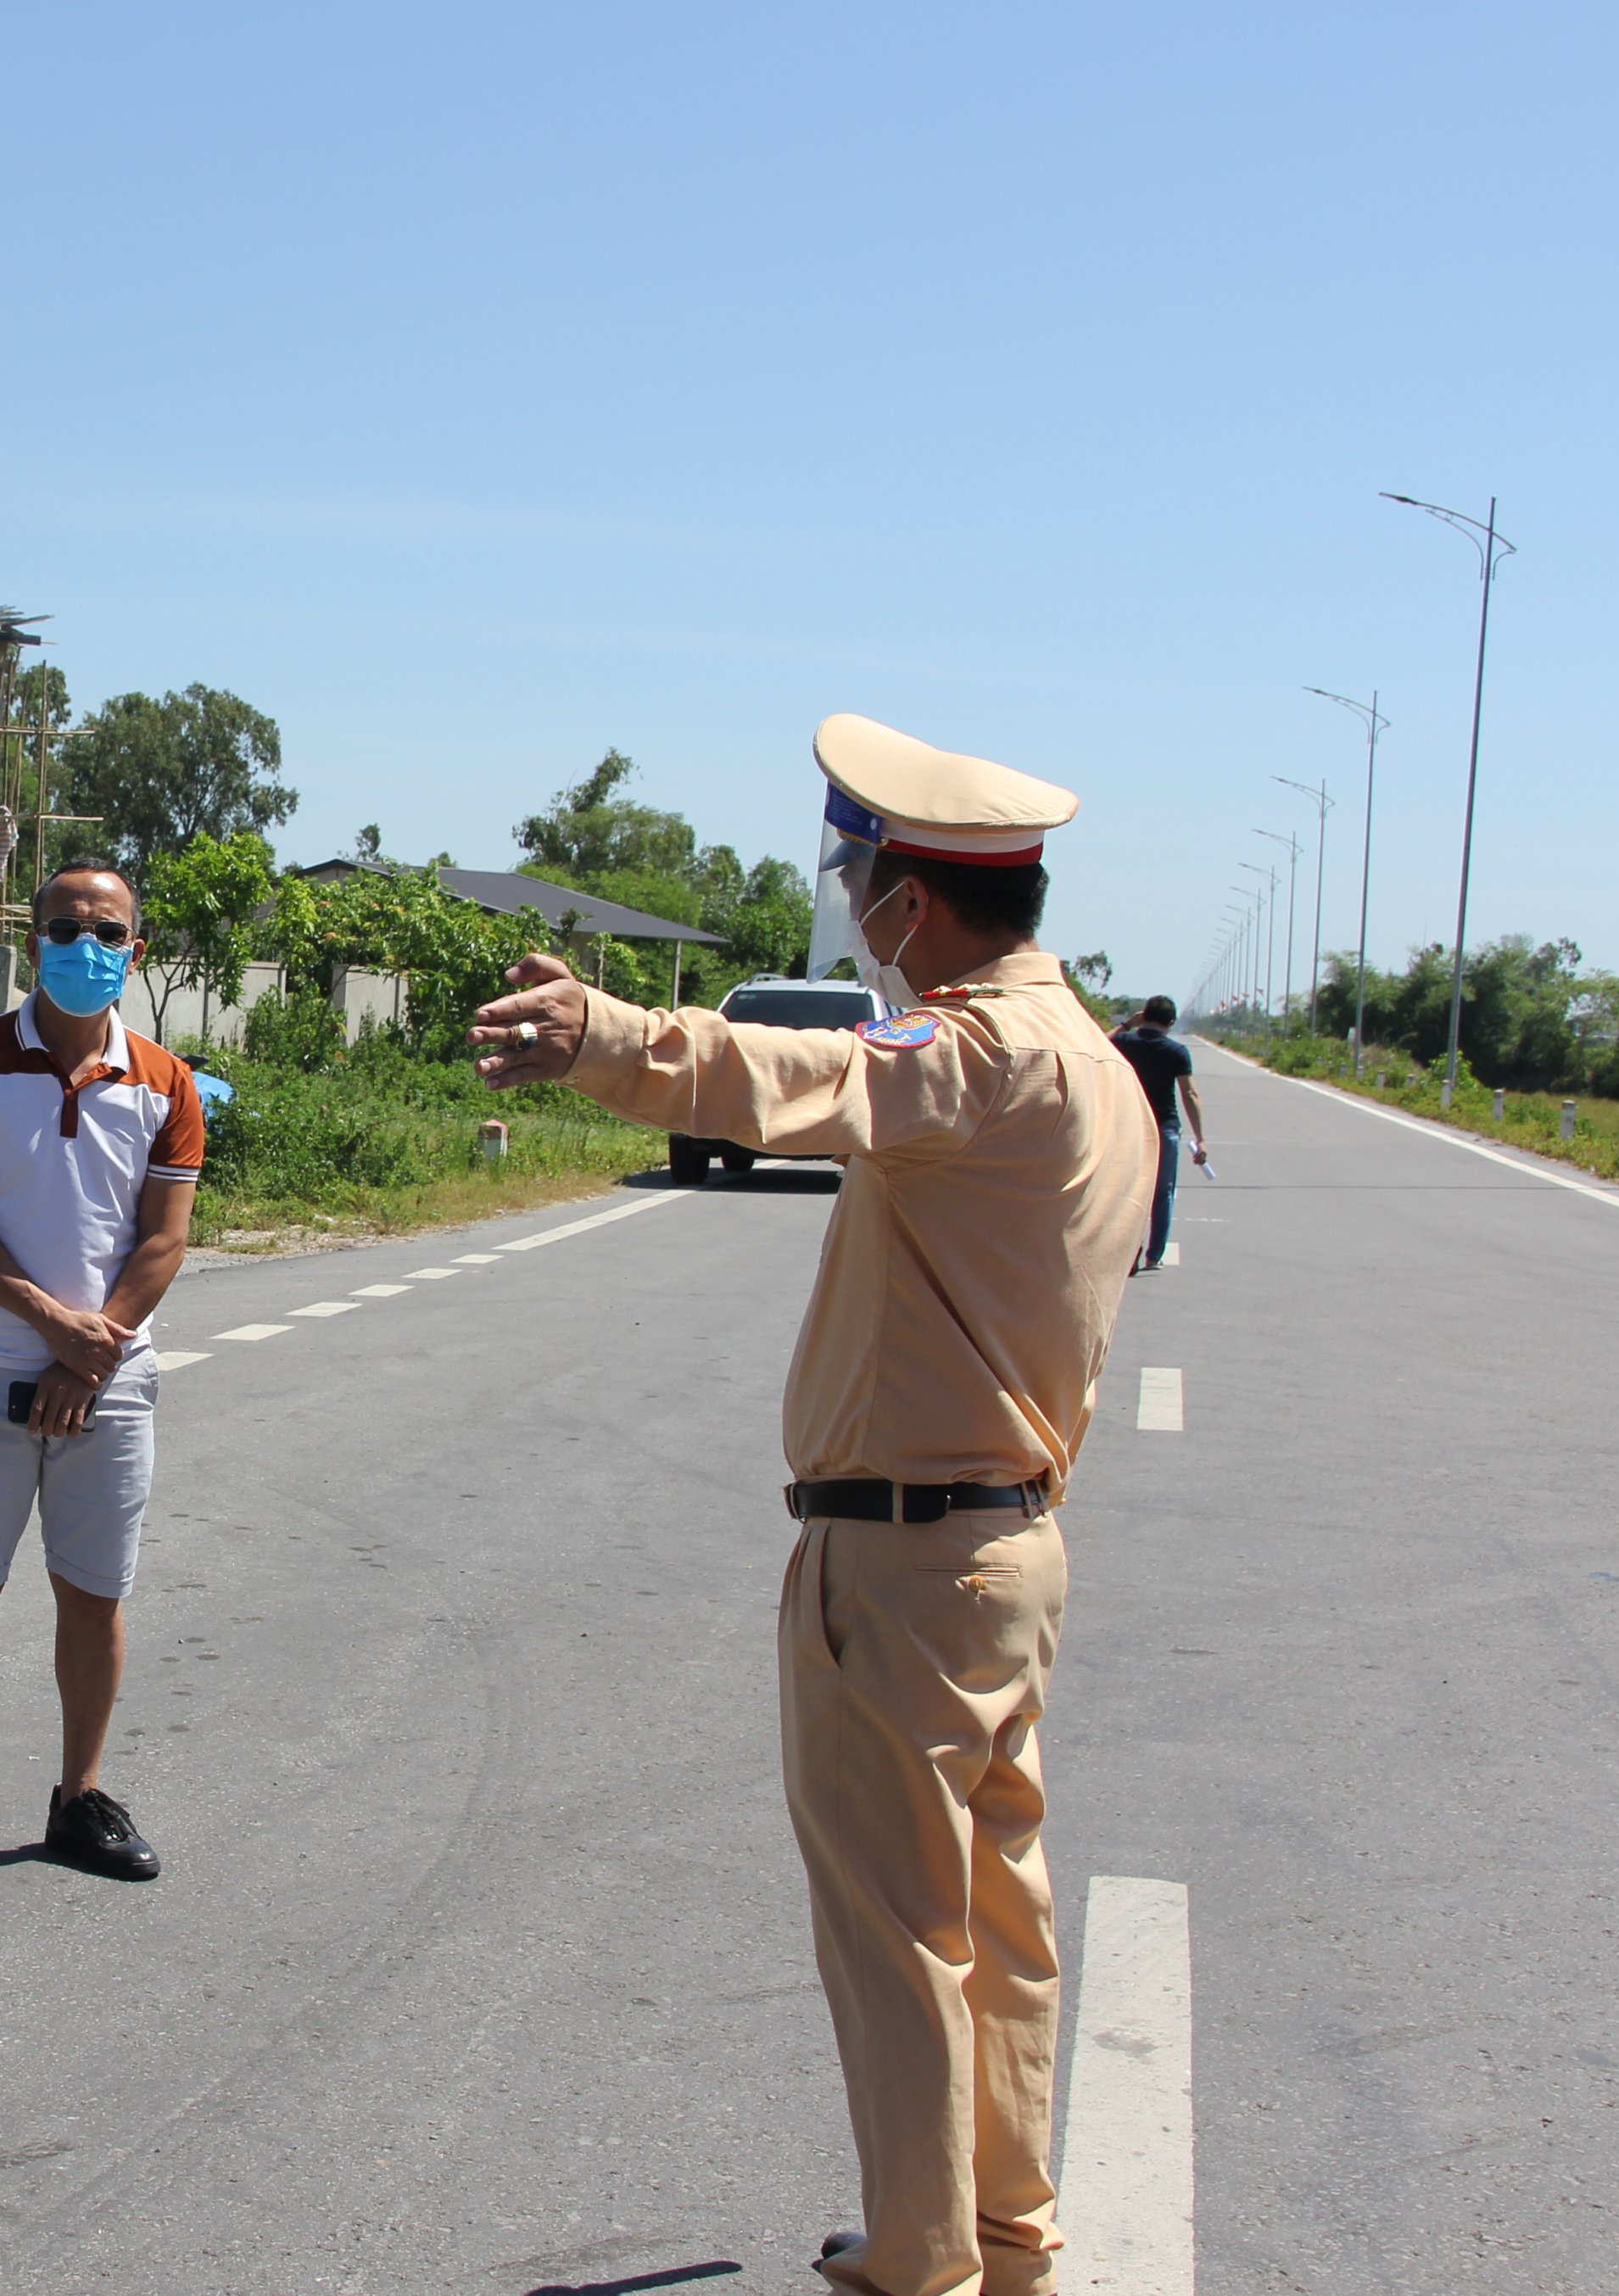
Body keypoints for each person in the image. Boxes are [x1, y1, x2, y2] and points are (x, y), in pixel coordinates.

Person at [469, 714, 1158, 2296]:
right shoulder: (1098, 1063)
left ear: (911, 906)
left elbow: (810, 1076)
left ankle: (924, 2256)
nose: (855, 911)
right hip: (1006, 1548)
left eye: (862, 881)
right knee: (1000, 1912)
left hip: (910, 1554)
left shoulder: (981, 1049)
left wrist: (606, 1036)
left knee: (902, 1926)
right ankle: (1003, 2227)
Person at [0, 862, 204, 1893]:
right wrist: (50, 1327)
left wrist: (92, 1345)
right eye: (64, 927)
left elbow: (163, 1240)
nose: (84, 945)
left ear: (135, 951)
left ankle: (80, 1799)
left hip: (111, 1380)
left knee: (93, 1595)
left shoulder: (166, 1082)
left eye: (105, 929)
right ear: (32, 941)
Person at [1107, 997, 1205, 1271]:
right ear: (1171, 1023)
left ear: (1144, 1016)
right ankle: (1154, 1255)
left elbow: (1096, 1043)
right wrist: (1200, 1138)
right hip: (1165, 1127)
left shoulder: (1125, 1043)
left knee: (1129, 1190)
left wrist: (1127, 1024)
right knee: (1163, 1192)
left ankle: (1131, 1252)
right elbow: (1190, 1094)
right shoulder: (1177, 1052)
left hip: (1130, 1124)